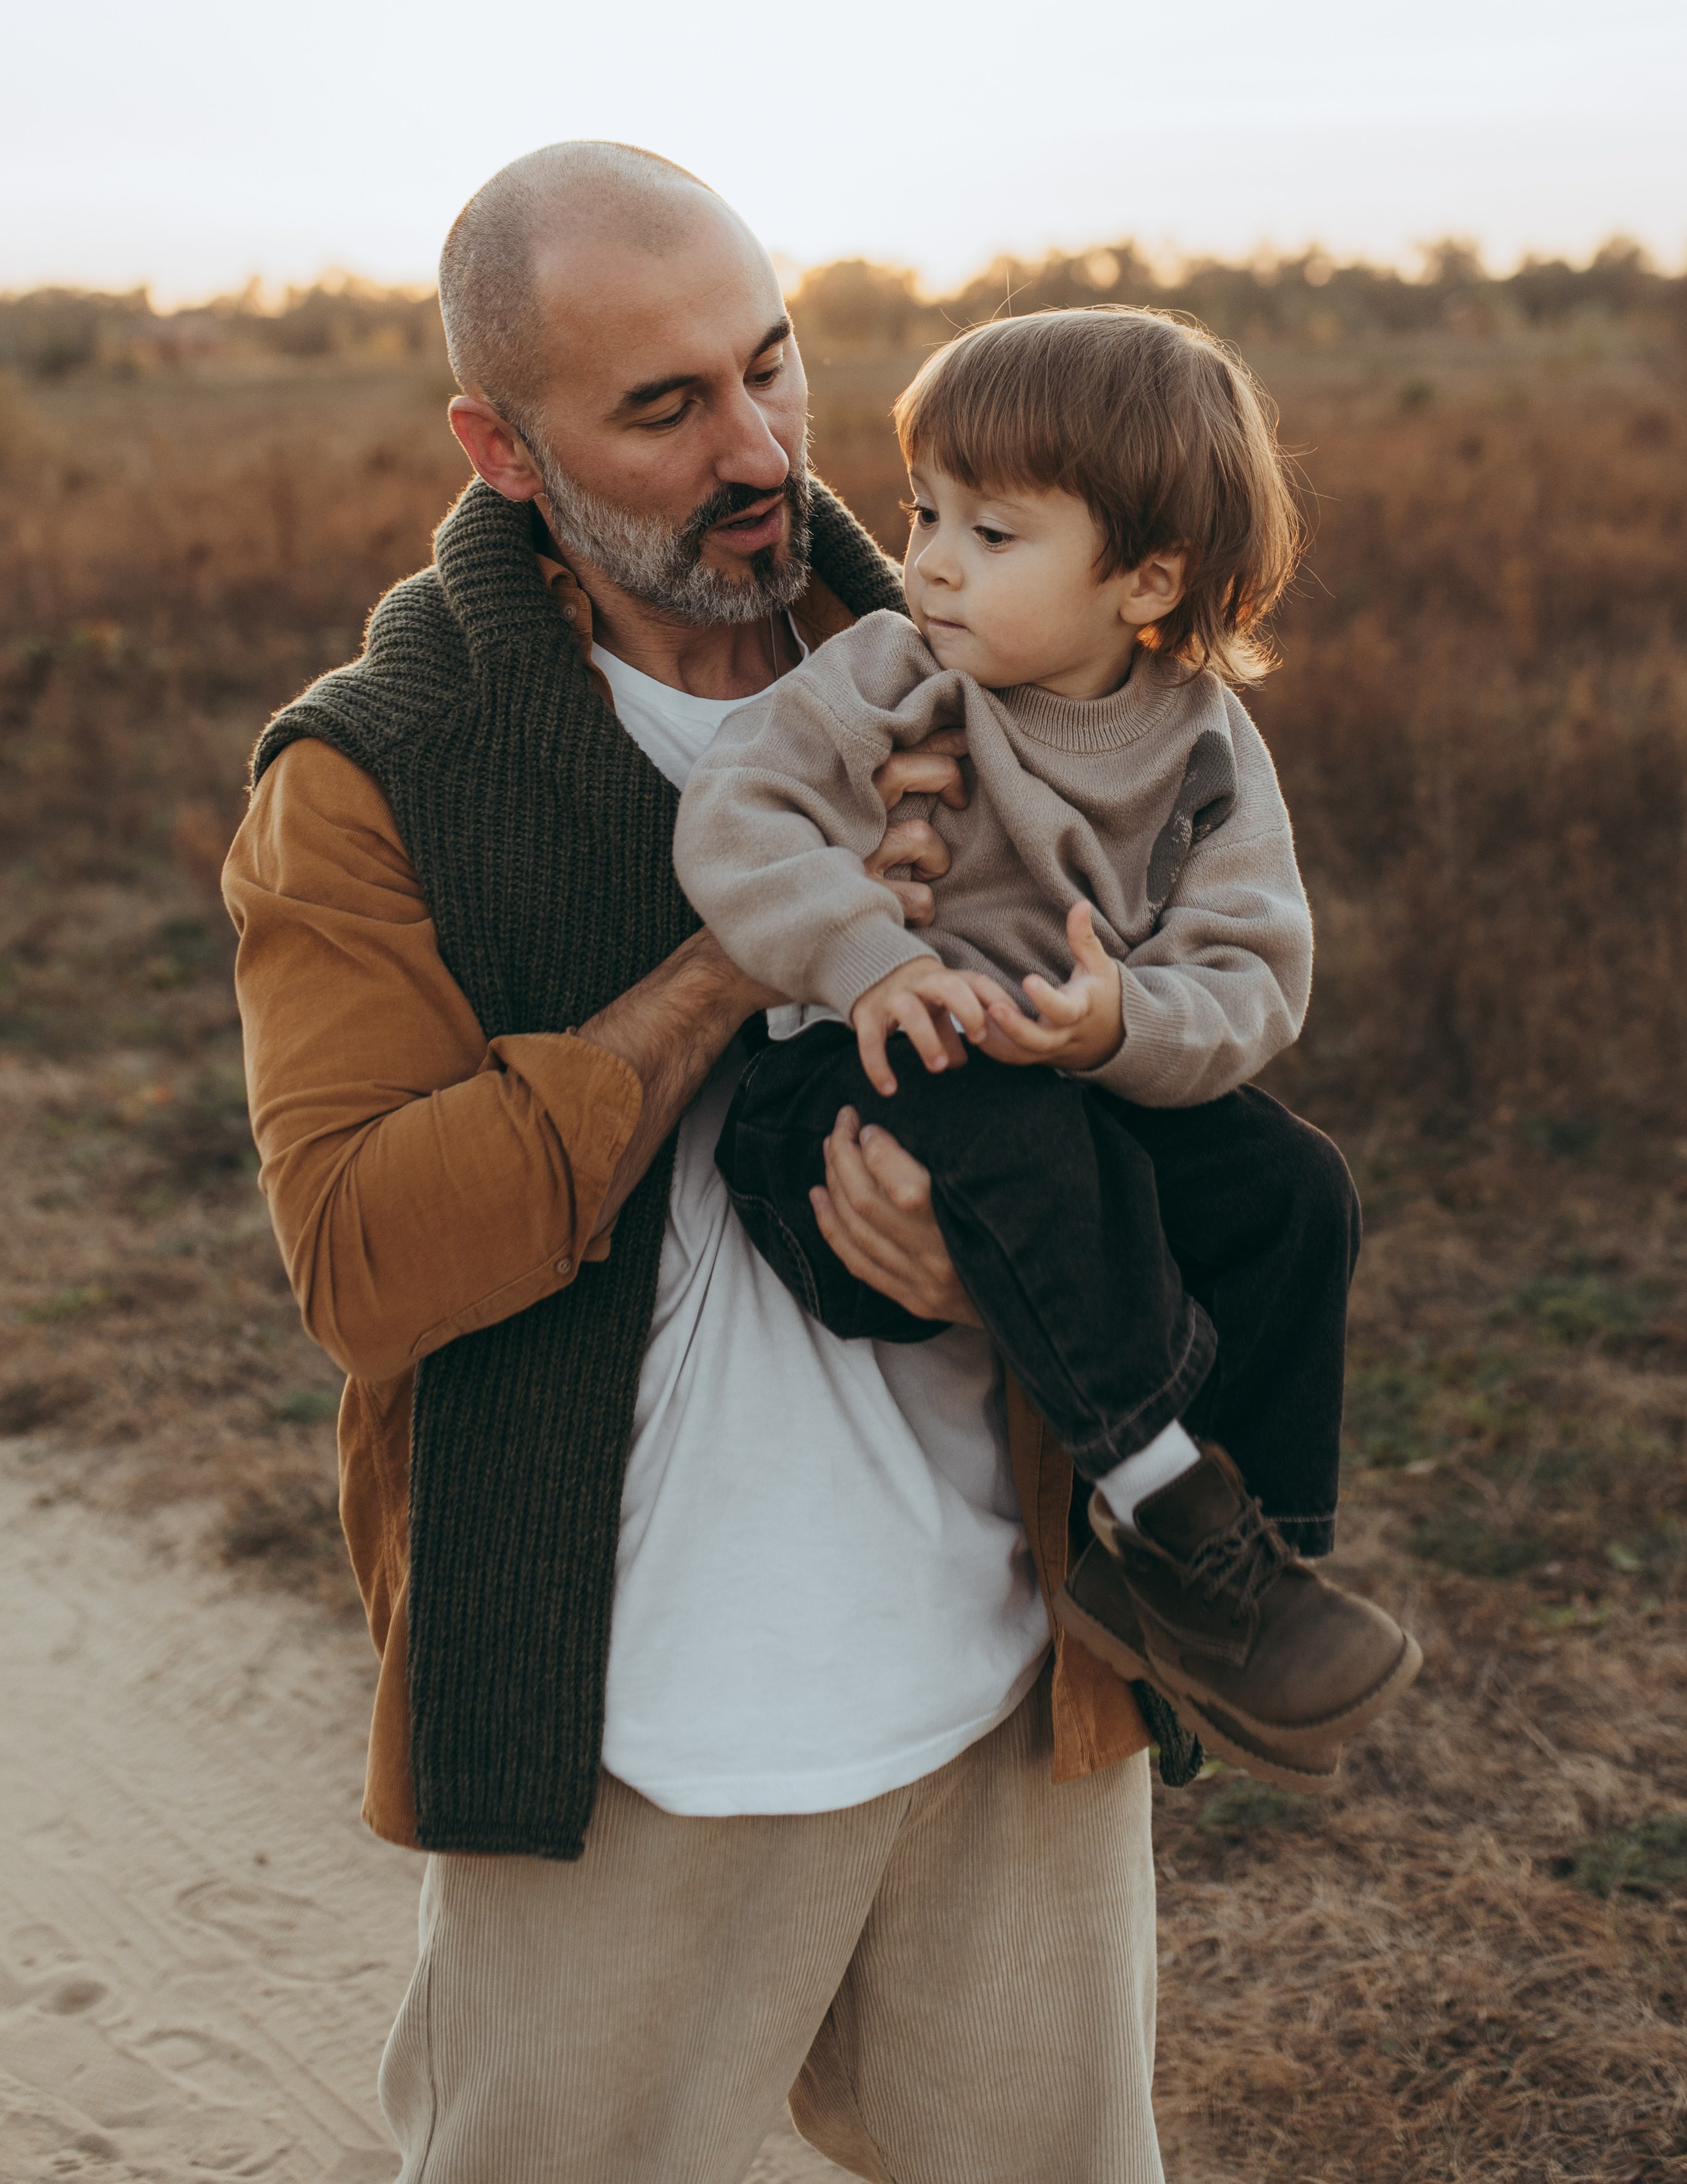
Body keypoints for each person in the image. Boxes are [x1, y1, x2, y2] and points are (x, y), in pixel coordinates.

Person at [223, 142, 1166, 2184]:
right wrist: (734, 963)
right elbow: (364, 1262)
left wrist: (1007, 1252)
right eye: (663, 409)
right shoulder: (376, 774)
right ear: (499, 444)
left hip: (1021, 1686)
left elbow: (1191, 1060)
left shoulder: (999, 653)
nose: (759, 448)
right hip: (634, 1734)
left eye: (773, 364)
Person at [674, 306, 1421, 1791]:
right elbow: (733, 816)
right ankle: (1166, 1512)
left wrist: (1121, 1022)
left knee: (1293, 1189)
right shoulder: (890, 669)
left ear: (1146, 579)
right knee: (1015, 1110)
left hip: (1066, 1098)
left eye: (992, 531)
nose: (931, 558)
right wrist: (871, 955)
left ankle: (1242, 1596)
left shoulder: (1199, 742)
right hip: (844, 1114)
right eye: (921, 512)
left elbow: (1251, 966)